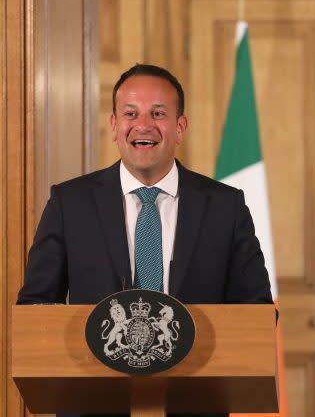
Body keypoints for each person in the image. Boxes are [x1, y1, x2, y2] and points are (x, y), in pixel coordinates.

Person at [17, 64, 273, 416]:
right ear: (113, 126)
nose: (143, 126)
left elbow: (256, 311)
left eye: (158, 114)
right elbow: (35, 307)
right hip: (94, 404)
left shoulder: (225, 206)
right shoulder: (69, 203)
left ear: (180, 127)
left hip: (196, 403)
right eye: (130, 113)